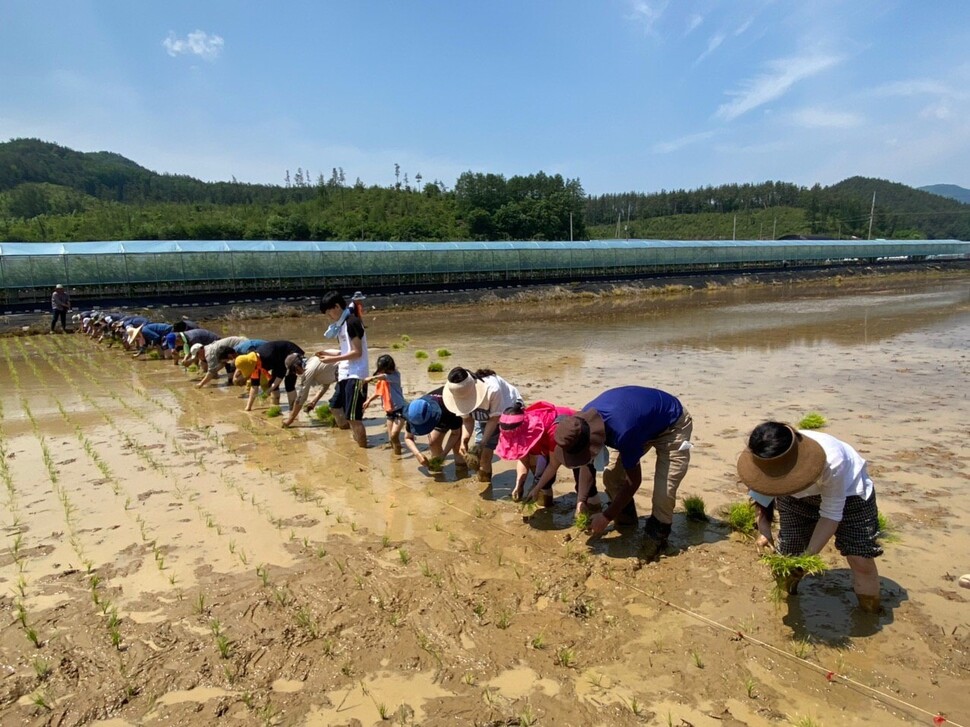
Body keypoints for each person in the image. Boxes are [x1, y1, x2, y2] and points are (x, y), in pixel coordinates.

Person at [528, 385, 693, 561]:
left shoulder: (623, 431)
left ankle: (657, 537)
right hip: (641, 423)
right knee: (612, 477)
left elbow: (634, 480)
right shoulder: (581, 423)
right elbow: (586, 463)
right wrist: (581, 500)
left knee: (664, 492)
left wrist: (606, 516)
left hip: (672, 425)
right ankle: (628, 522)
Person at [737, 422, 883, 613]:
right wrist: (763, 529)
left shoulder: (832, 460)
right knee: (788, 558)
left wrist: (807, 559)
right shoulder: (764, 454)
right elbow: (762, 489)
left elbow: (831, 515)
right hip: (795, 499)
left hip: (849, 496)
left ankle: (870, 613)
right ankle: (785, 604)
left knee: (860, 559)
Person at [496, 400, 600, 507]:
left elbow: (553, 465)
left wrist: (536, 489)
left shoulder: (553, 431)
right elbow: (523, 458)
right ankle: (547, 509)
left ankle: (592, 513)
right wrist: (519, 485)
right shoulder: (518, 426)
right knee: (542, 481)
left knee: (586, 488)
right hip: (546, 443)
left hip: (574, 438)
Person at [443, 367, 523, 484]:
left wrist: (482, 443)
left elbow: (494, 419)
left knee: (522, 451)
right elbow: (468, 420)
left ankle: (536, 482)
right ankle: (484, 482)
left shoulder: (492, 390)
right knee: (483, 456)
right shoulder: (459, 392)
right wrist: (464, 441)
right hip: (484, 417)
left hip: (509, 412)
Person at [316, 291, 369, 448]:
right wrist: (328, 352)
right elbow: (346, 351)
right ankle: (352, 438)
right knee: (334, 406)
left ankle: (363, 450)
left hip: (356, 374)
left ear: (337, 307)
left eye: (328, 311)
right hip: (345, 373)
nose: (328, 316)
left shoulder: (352, 322)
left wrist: (332, 360)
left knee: (353, 417)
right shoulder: (342, 325)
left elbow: (357, 352)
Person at [234, 340, 305, 412]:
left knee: (289, 383)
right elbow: (254, 386)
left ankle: (293, 410)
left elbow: (280, 375)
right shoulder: (254, 364)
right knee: (272, 383)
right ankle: (275, 406)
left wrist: (267, 391)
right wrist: (248, 407)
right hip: (279, 360)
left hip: (291, 354)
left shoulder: (267, 356)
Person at [402, 391, 464, 471]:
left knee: (457, 447)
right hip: (436, 412)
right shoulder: (414, 413)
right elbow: (408, 438)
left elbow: (456, 434)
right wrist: (417, 454)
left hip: (455, 404)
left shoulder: (448, 410)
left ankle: (462, 469)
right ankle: (437, 467)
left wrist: (444, 454)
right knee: (433, 442)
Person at [364, 354, 407, 454]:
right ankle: (396, 458)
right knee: (390, 438)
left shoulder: (395, 375)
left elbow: (383, 376)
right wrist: (369, 400)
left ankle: (399, 454)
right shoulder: (382, 379)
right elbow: (378, 392)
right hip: (389, 411)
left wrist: (371, 378)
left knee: (394, 435)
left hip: (399, 410)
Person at [282, 354, 339, 428]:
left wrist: (290, 420)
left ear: (297, 367)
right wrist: (314, 401)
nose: (296, 374)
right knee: (337, 406)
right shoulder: (312, 361)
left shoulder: (308, 370)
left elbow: (301, 397)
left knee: (335, 407)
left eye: (294, 371)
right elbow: (326, 384)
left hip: (348, 375)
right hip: (345, 374)